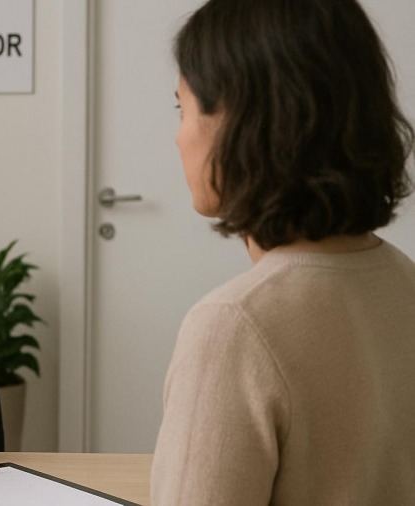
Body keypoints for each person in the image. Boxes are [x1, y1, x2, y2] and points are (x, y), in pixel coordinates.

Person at [151, 0, 415, 503]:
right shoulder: (406, 283)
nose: (178, 135)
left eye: (182, 107)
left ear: (242, 121)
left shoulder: (232, 328)